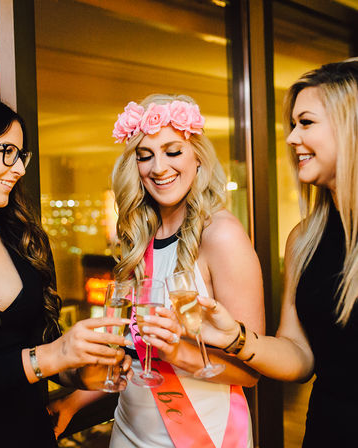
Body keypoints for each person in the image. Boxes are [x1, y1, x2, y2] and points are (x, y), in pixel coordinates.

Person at [0, 91, 132, 448]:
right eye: (7, 152)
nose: (21, 168)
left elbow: (42, 343)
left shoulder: (25, 239)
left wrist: (82, 372)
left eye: (21, 154)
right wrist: (54, 355)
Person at [197, 58, 358, 447]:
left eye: (306, 122)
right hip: (329, 431)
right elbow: (300, 356)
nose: (290, 138)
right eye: (292, 125)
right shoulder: (303, 238)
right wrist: (236, 338)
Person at [109, 94, 265, 447]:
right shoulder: (137, 236)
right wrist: (75, 400)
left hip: (199, 434)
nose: (158, 167)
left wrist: (175, 352)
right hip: (128, 430)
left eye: (173, 151)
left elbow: (252, 371)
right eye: (144, 156)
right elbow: (130, 353)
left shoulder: (221, 234)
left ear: (198, 157)